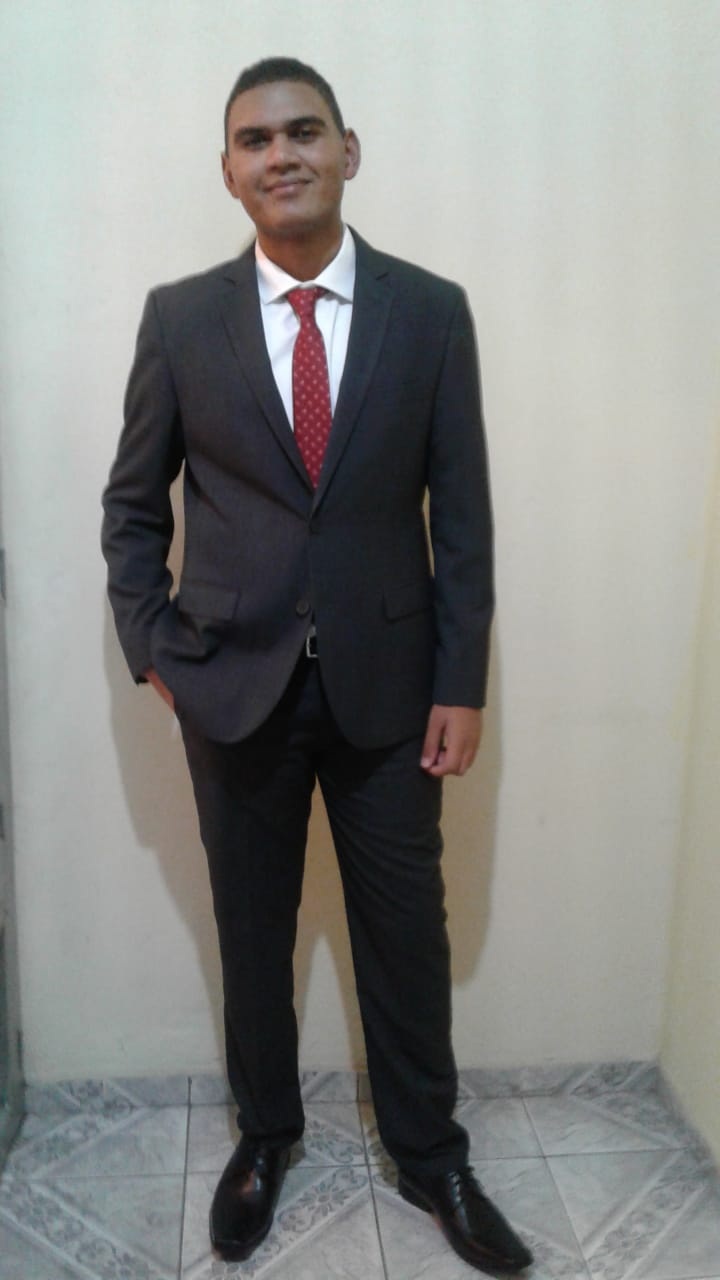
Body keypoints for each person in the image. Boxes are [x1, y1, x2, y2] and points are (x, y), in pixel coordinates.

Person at [101, 56, 532, 1274]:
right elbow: (132, 508)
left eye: (303, 131)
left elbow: (465, 515)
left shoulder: (430, 311)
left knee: (407, 933)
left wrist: (460, 681)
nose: (280, 154)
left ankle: (432, 1154)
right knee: (253, 931)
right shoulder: (180, 319)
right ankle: (265, 1135)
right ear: (228, 171)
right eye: (255, 140)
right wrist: (154, 646)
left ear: (350, 150)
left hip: (392, 692)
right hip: (231, 685)